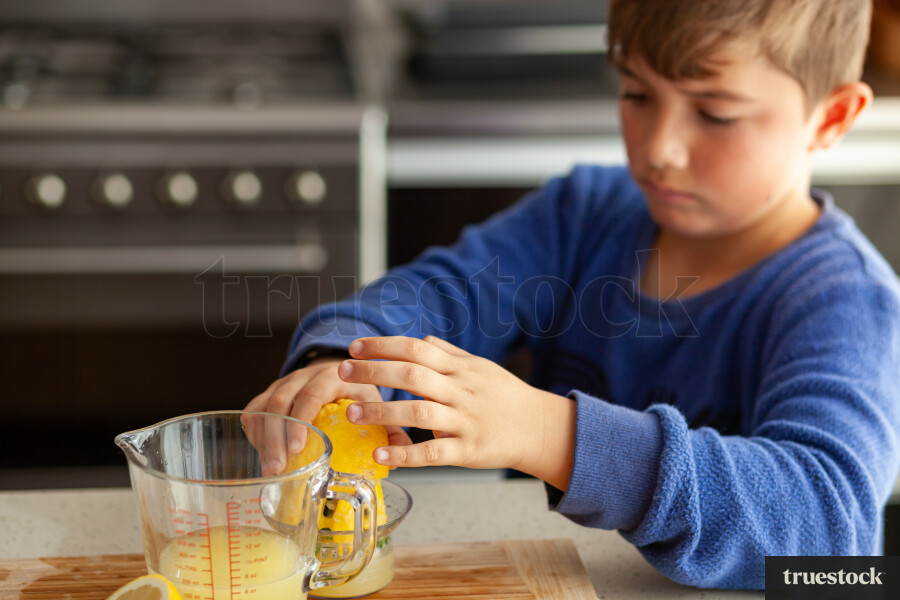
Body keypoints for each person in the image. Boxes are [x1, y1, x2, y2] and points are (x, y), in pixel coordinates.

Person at [244, 0, 900, 589]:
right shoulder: (587, 214)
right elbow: (443, 292)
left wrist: (555, 436)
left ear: (832, 117)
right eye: (638, 95)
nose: (661, 149)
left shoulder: (846, 301)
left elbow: (828, 529)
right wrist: (343, 364)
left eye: (714, 112)